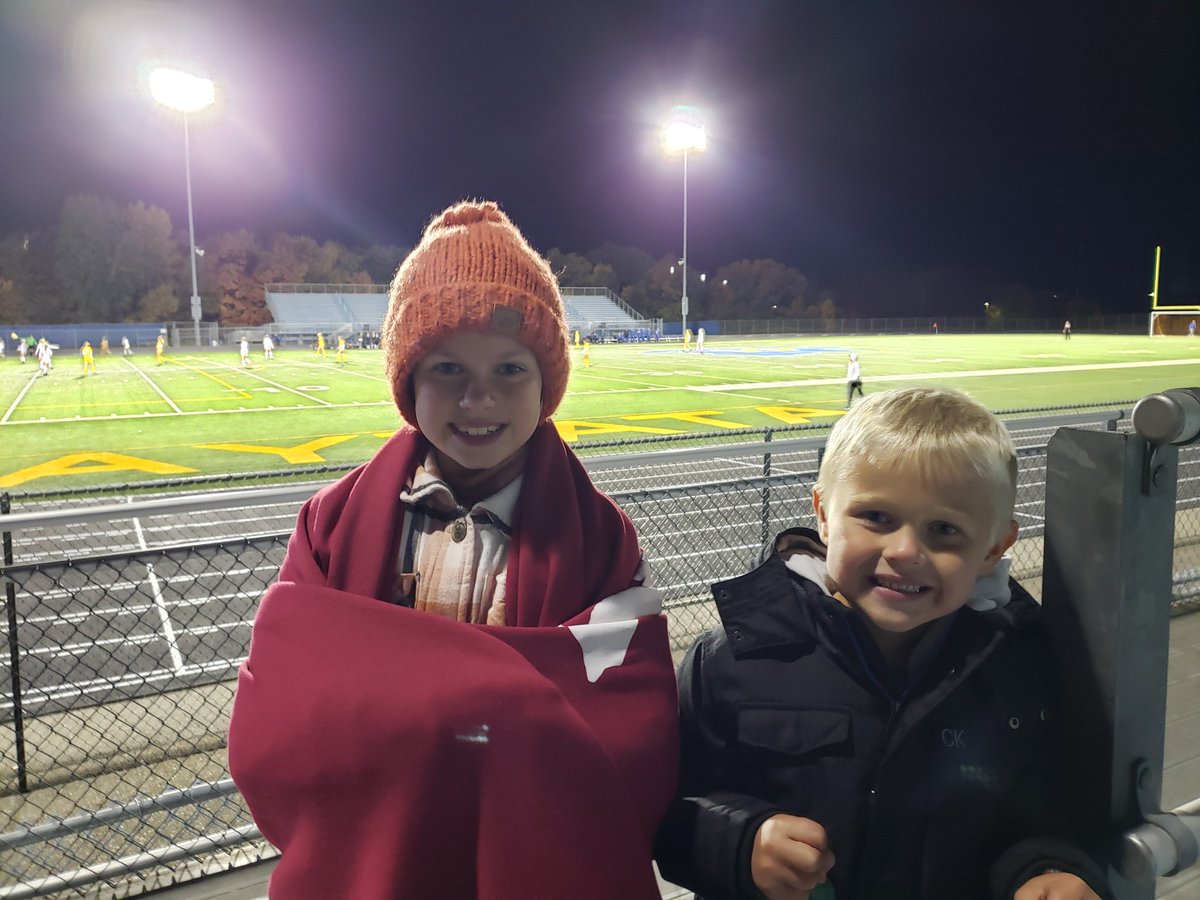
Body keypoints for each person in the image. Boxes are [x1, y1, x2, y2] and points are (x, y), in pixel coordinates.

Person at [228, 200, 678, 899]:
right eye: (446, 369)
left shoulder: (602, 536)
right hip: (379, 852)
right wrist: (499, 706)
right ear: (408, 381)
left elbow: (628, 726)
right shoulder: (332, 522)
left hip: (529, 855)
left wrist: (418, 706)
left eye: (509, 370)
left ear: (547, 384)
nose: (478, 399)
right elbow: (282, 720)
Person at [655, 387, 1110, 900]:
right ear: (823, 514)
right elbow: (665, 812)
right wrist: (741, 843)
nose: (906, 551)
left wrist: (1048, 869)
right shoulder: (731, 660)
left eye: (944, 529)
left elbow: (1051, 809)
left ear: (994, 548)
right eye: (876, 517)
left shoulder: (1020, 663)